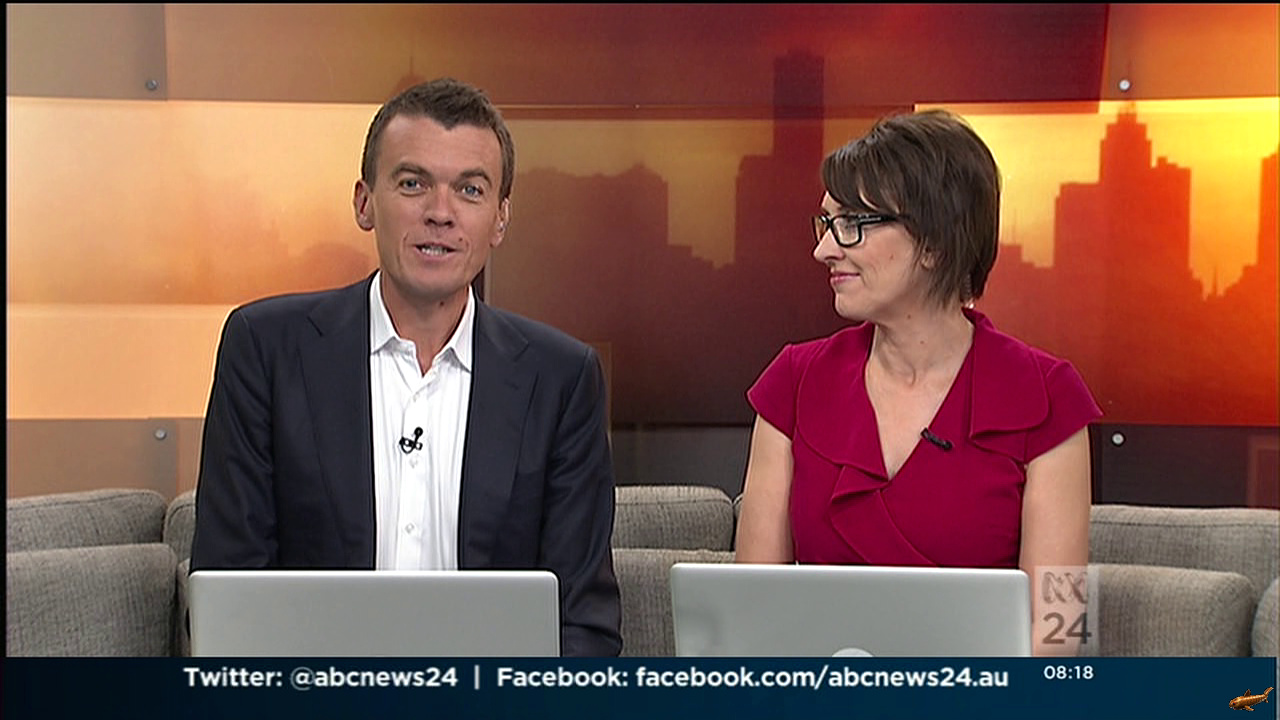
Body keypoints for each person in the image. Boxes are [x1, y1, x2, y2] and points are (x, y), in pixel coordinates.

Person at [190, 77, 622, 657]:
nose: (440, 213)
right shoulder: (265, 350)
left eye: (470, 190)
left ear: (500, 220)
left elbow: (583, 625)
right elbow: (228, 596)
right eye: (413, 183)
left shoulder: (561, 379)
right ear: (365, 202)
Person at [733, 109, 1102, 656]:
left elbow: (1058, 632)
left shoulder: (1048, 398)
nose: (824, 249)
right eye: (826, 223)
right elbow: (751, 619)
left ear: (934, 243)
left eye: (852, 224)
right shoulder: (793, 383)